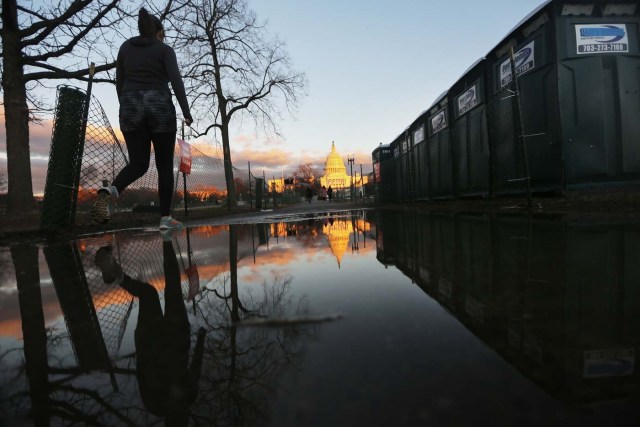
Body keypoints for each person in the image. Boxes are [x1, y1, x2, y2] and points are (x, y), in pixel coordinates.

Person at [91, 8, 193, 230]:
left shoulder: (125, 47)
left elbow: (120, 81)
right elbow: (176, 81)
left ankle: (110, 191)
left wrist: (126, 105)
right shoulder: (165, 50)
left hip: (130, 105)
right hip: (159, 105)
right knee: (164, 166)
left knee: (138, 163)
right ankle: (165, 219)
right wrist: (186, 111)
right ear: (158, 32)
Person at [94, 236, 205, 424]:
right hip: (154, 340)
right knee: (149, 295)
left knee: (170, 287)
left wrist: (201, 338)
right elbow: (143, 370)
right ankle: (115, 273)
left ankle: (167, 238)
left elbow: (195, 367)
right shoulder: (154, 405)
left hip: (175, 337)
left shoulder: (181, 400)